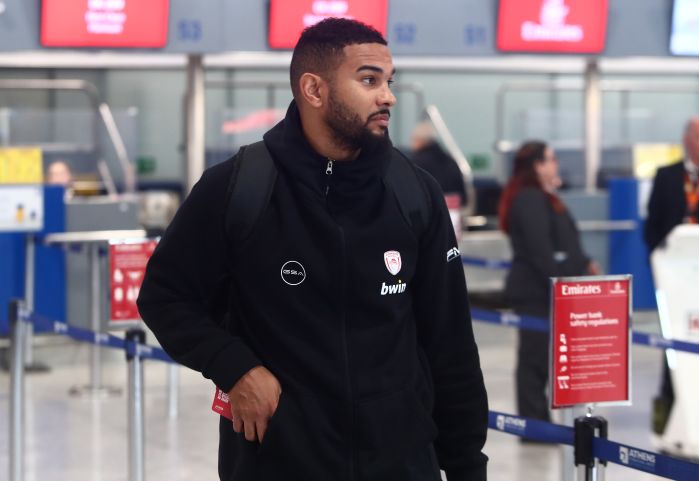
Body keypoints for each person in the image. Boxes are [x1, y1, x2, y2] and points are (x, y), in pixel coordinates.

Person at [138, 18, 488, 481]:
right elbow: (165, 297)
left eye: (389, 81)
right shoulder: (239, 187)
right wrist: (235, 368)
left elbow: (450, 342)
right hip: (277, 461)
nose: (388, 97)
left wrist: (467, 466)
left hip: (401, 461)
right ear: (314, 90)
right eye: (369, 80)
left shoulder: (414, 193)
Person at [498, 141, 599, 427]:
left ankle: (539, 420)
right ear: (537, 165)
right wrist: (560, 285)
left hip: (547, 288)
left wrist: (583, 262)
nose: (556, 165)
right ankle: (534, 423)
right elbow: (540, 249)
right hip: (536, 291)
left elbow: (562, 240)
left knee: (542, 357)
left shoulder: (544, 196)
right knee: (535, 359)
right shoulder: (530, 199)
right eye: (551, 159)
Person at [644, 115, 699, 434]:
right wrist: (662, 261)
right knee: (674, 343)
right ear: (687, 140)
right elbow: (652, 226)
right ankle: (667, 416)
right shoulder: (667, 177)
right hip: (674, 279)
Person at [410, 121, 467, 207]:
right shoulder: (450, 161)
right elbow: (463, 195)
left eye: (413, 139)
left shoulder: (415, 163)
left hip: (427, 209)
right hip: (452, 209)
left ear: (420, 140)